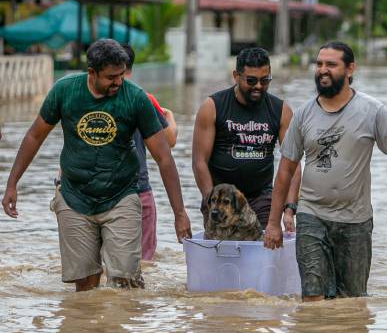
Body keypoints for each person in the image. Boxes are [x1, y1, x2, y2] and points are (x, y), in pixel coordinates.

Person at [1, 39, 192, 292]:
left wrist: (179, 213)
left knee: (127, 283)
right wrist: (12, 184)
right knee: (86, 288)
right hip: (74, 198)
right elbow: (35, 136)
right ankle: (90, 331)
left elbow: (164, 157)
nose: (118, 82)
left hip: (121, 196)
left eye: (122, 75)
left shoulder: (135, 98)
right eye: (111, 77)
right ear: (91, 73)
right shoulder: (65, 91)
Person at [264, 42, 387, 301]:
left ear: (350, 69)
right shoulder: (303, 114)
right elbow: (285, 171)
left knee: (351, 302)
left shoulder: (373, 111)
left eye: (331, 64)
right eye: (319, 64)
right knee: (313, 298)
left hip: (355, 221)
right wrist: (274, 222)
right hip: (311, 216)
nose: (322, 70)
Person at [192, 47, 300, 232]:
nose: (258, 86)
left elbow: (293, 164)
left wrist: (289, 209)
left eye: (265, 80)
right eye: (251, 80)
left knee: (263, 254)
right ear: (236, 75)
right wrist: (211, 201)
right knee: (223, 256)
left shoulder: (281, 110)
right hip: (221, 198)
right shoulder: (212, 107)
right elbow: (199, 161)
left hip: (262, 197)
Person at [122, 44, 178, 261]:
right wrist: (170, 115)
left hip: (101, 194)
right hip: (139, 189)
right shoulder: (144, 98)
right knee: (144, 263)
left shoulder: (91, 98)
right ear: (131, 69)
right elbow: (170, 140)